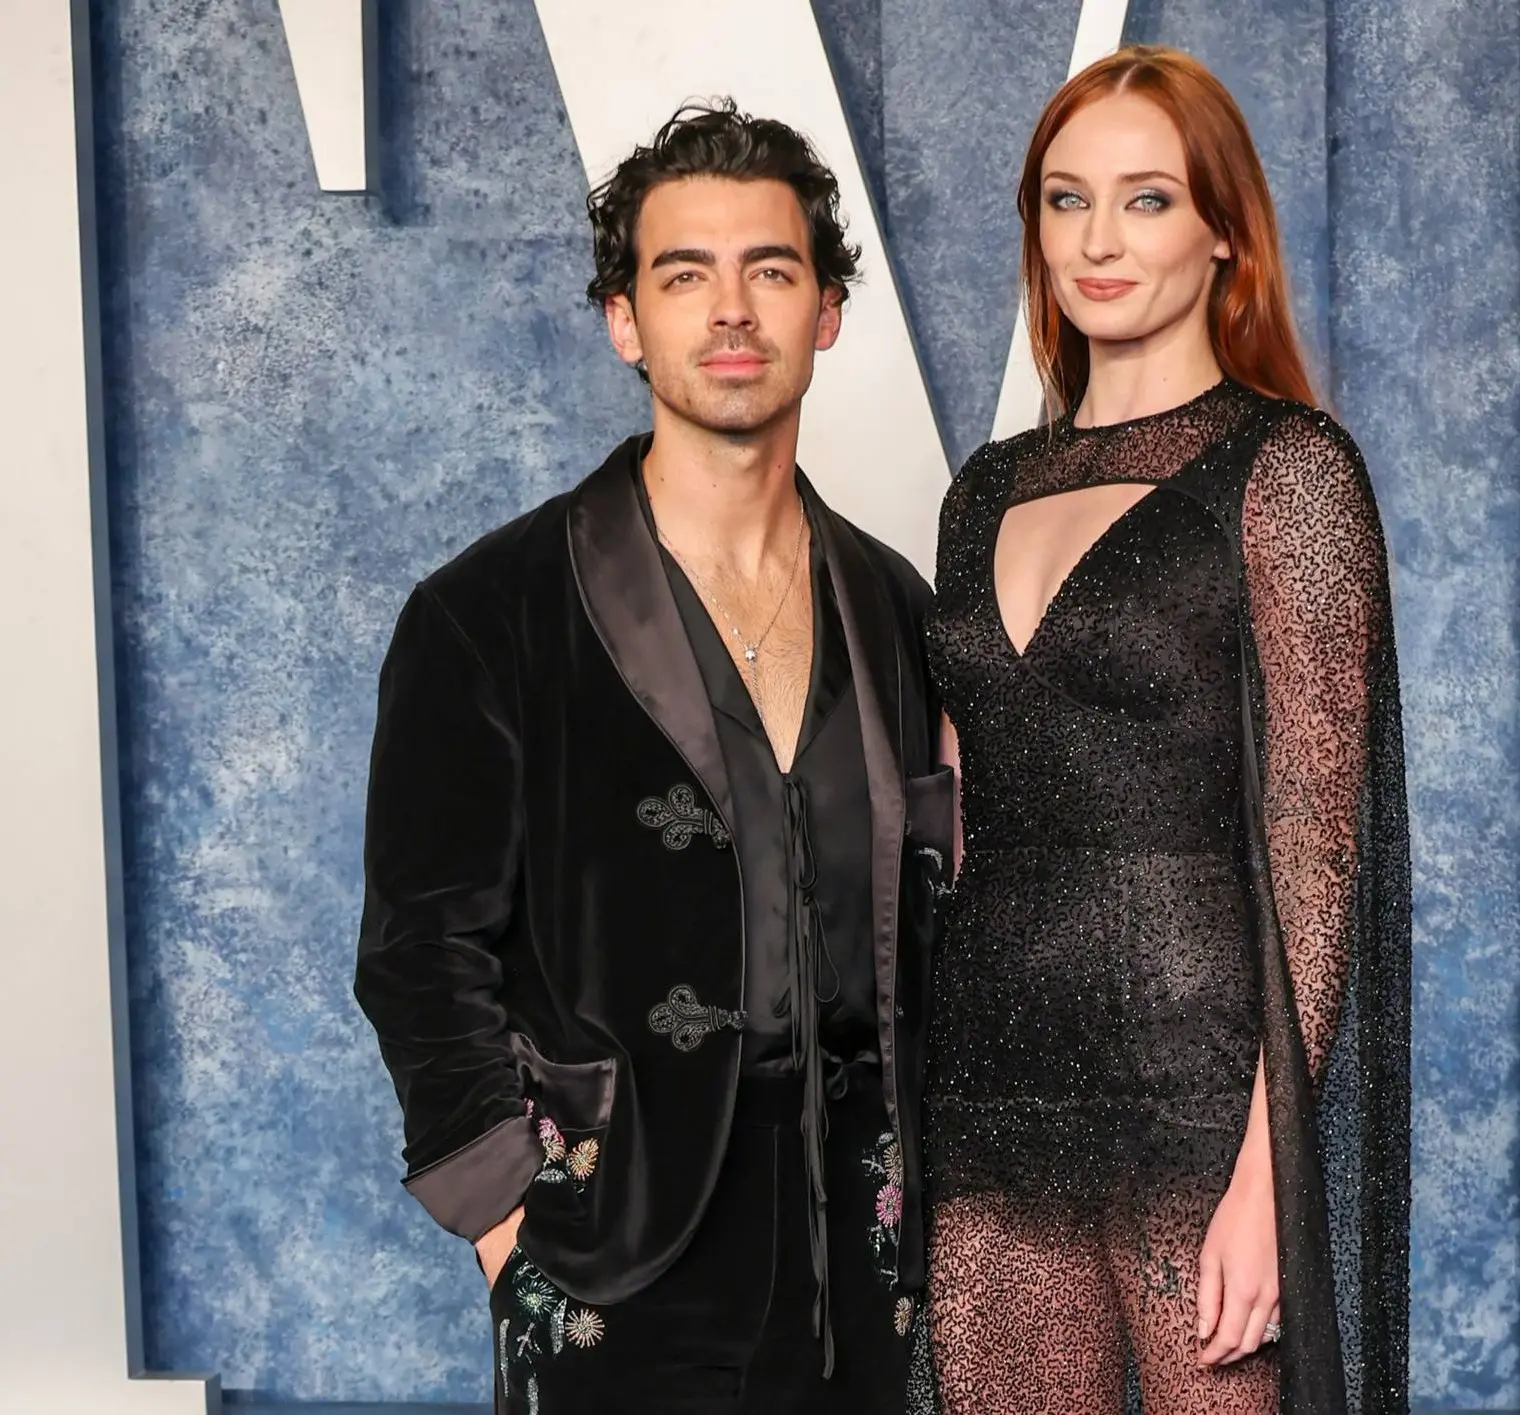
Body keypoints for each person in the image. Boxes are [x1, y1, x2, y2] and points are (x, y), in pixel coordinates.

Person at [354, 100, 952, 1415]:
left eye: (771, 270)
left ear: (827, 311)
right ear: (625, 320)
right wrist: (509, 1225)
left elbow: (937, 919)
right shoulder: (485, 614)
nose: (731, 310)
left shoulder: (899, 611)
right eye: (685, 275)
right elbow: (418, 949)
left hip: (860, 1255)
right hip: (605, 1248)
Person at [923, 46, 1412, 1415]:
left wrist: (1271, 1178)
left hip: (1199, 1097)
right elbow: (958, 808)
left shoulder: (1288, 469)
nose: (1098, 240)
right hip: (990, 1082)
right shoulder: (982, 491)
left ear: (1223, 233)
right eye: (1065, 199)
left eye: (1145, 199)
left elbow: (1316, 849)